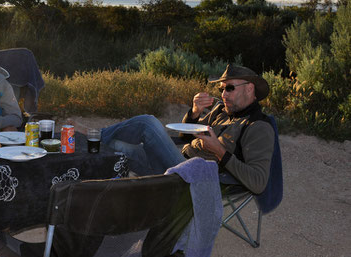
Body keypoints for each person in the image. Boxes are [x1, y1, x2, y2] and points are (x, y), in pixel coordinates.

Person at [100, 65, 275, 194]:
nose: (223, 94)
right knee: (117, 147)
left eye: (229, 88)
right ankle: (89, 144)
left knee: (148, 123)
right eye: (221, 89)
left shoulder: (257, 126)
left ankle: (91, 136)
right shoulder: (221, 111)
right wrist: (194, 112)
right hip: (177, 162)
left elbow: (258, 183)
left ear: (250, 88)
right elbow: (185, 136)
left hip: (195, 179)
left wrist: (219, 151)